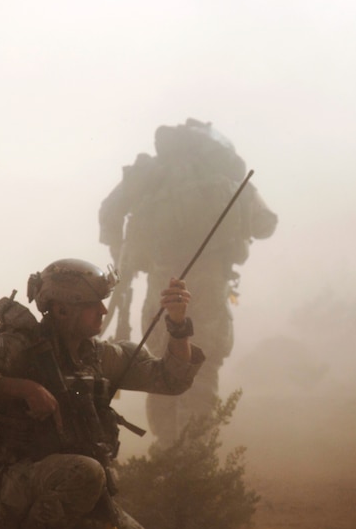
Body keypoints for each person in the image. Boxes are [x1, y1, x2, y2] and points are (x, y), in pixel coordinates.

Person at [0, 259, 205, 529]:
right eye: (91, 305)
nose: (103, 311)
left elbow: (170, 380)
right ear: (60, 311)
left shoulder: (99, 356)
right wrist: (22, 388)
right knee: (87, 473)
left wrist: (177, 324)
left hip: (62, 489)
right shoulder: (13, 346)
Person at [98, 118, 277, 447]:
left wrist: (122, 252)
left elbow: (109, 212)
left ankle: (166, 449)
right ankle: (193, 458)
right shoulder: (226, 178)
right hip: (210, 281)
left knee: (160, 361)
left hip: (161, 278)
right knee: (201, 360)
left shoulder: (151, 174)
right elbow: (266, 224)